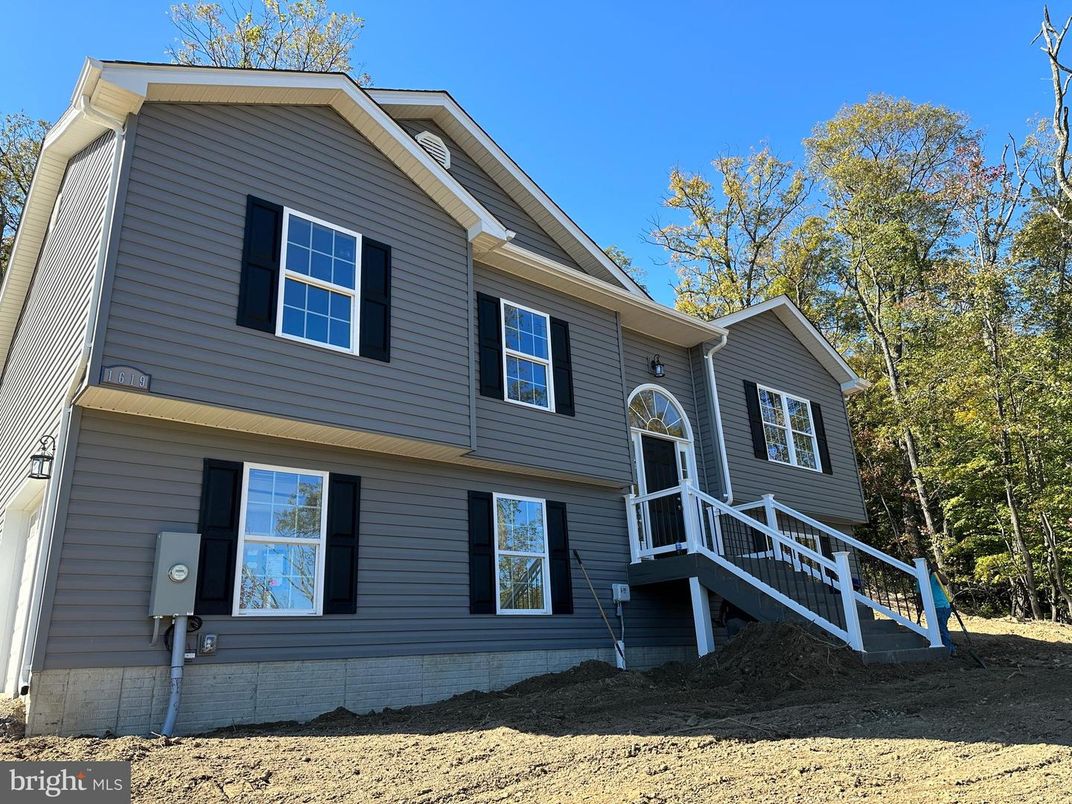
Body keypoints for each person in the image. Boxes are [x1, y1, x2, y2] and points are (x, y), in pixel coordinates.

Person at [929, 569, 956, 656]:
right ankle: (948, 648)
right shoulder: (919, 578)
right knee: (939, 629)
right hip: (932, 608)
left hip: (942, 606)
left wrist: (936, 571)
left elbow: (945, 582)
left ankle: (949, 650)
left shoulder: (934, 574)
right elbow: (919, 593)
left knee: (942, 629)